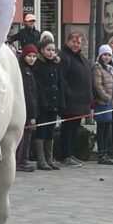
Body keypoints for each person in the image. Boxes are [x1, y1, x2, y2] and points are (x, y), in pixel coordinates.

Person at [58, 31, 92, 167]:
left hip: (80, 102)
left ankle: (71, 153)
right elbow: (61, 77)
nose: (76, 44)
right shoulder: (65, 57)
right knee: (68, 129)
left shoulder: (81, 58)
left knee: (75, 128)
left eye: (79, 42)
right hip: (70, 101)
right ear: (67, 42)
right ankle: (65, 155)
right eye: (74, 41)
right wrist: (68, 92)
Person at [31, 40, 63, 170]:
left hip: (53, 103)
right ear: (42, 50)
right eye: (48, 50)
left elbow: (59, 83)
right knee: (41, 131)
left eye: (53, 50)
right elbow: (37, 85)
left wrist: (60, 102)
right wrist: (42, 101)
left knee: (50, 131)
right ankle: (41, 160)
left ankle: (49, 158)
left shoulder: (56, 65)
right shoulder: (38, 65)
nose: (51, 53)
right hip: (42, 105)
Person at [91, 44, 113, 166]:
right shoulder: (98, 69)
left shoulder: (110, 68)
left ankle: (106, 151)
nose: (107, 57)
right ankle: (101, 153)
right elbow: (98, 85)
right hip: (102, 102)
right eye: (104, 54)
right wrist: (106, 97)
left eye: (109, 55)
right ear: (100, 55)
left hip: (109, 103)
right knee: (102, 128)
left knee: (107, 128)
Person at [17, 45, 39, 171]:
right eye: (29, 56)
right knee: (23, 136)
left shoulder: (30, 71)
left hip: (30, 109)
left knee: (28, 135)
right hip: (25, 108)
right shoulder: (23, 71)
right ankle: (20, 160)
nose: (32, 59)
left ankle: (24, 159)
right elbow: (27, 93)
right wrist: (31, 113)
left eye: (34, 56)